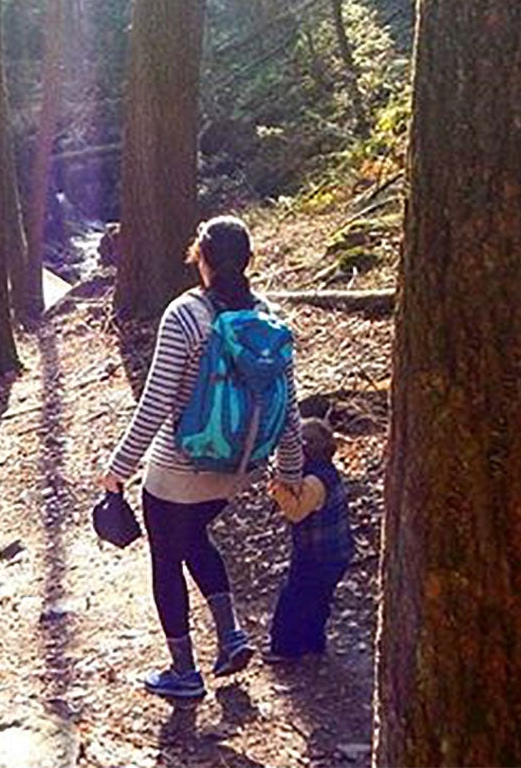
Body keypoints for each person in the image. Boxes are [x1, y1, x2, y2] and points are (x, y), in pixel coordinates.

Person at [100, 216, 304, 701]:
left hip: (178, 470)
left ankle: (183, 673)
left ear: (201, 258)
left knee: (166, 559)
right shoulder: (267, 316)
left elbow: (155, 404)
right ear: (249, 261)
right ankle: (231, 636)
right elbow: (288, 402)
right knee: (194, 537)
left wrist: (118, 470)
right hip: (238, 468)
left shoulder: (185, 315)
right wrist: (290, 470)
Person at [266, 417, 353, 660]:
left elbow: (296, 512)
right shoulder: (326, 473)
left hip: (319, 555)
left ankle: (286, 648)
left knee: (294, 597)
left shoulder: (315, 481)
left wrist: (278, 488)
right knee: (317, 599)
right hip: (333, 551)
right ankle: (313, 643)